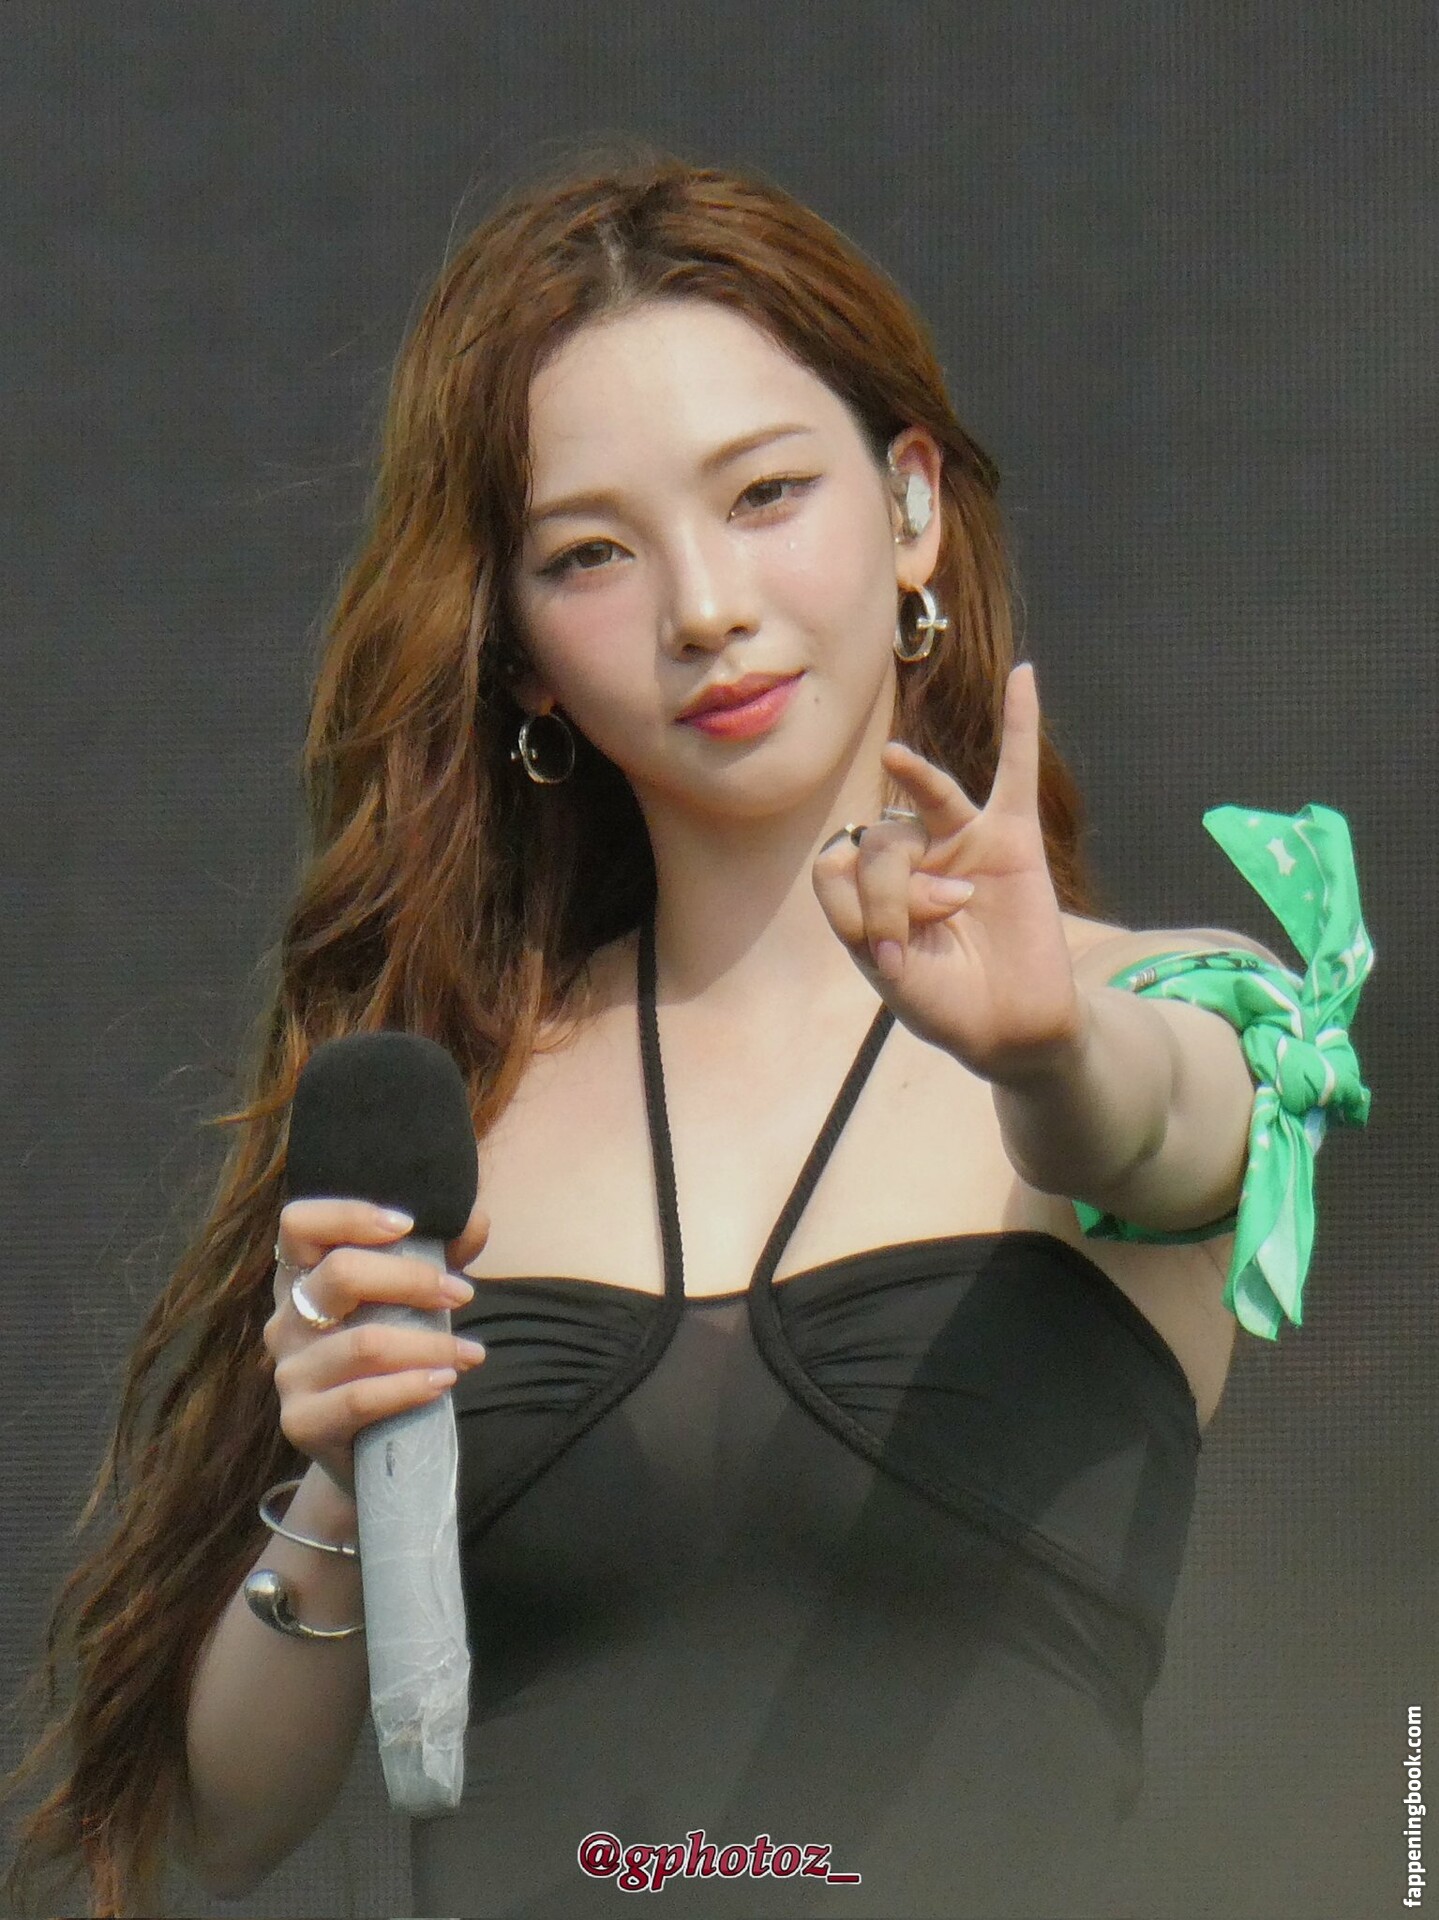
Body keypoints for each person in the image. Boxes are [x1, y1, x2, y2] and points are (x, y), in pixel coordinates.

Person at [0, 141, 1373, 1920]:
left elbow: (1155, 1128)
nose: (704, 607)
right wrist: (336, 1481)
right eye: (592, 553)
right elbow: (222, 1823)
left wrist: (1042, 1049)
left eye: (764, 495)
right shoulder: (468, 1100)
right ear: (517, 649)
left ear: (912, 508)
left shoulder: (1152, 1011)